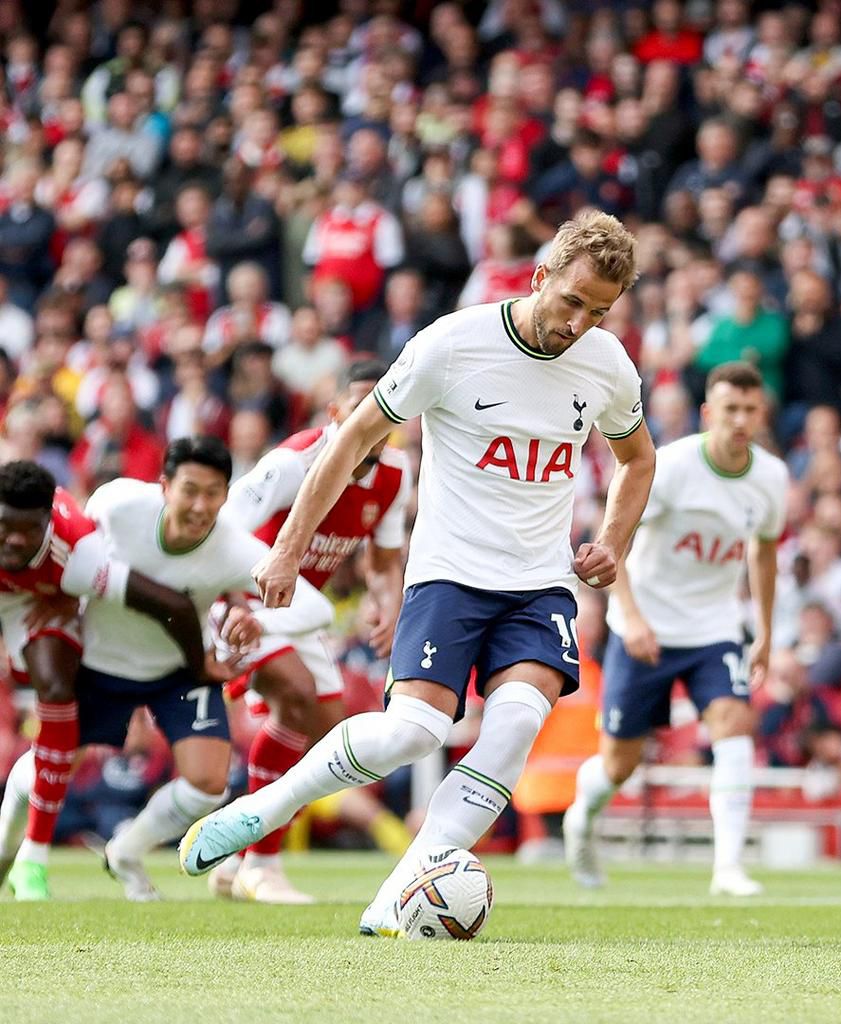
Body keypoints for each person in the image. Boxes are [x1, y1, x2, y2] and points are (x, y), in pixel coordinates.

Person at [179, 210, 655, 938]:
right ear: (540, 278)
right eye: (572, 301)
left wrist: (613, 541)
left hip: (538, 581)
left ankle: (397, 899)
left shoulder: (606, 364)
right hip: (449, 574)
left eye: (599, 311)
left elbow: (637, 457)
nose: (580, 323)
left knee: (519, 719)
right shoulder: (452, 346)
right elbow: (352, 439)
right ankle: (266, 807)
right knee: (415, 731)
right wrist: (287, 549)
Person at [0, 438, 334, 901]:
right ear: (164, 487)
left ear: (225, 494)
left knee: (209, 784)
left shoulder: (236, 550)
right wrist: (58, 595)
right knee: (47, 770)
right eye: (190, 490)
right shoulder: (117, 504)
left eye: (213, 493)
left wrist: (259, 619)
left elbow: (319, 610)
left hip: (181, 669)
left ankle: (125, 851)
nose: (200, 505)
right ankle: (7, 848)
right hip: (100, 664)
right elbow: (74, 550)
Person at [562, 362, 787, 896]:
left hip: (714, 629)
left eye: (750, 410)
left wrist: (766, 632)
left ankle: (727, 868)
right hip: (646, 627)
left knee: (733, 727)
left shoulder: (772, 477)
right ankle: (581, 816)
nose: (740, 420)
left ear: (762, 414)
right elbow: (613, 541)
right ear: (709, 413)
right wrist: (632, 617)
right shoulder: (671, 466)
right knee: (619, 765)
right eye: (730, 409)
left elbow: (764, 551)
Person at [205, 359, 411, 904]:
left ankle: (237, 857)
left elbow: (385, 559)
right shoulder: (294, 462)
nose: (371, 417)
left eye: (382, 406)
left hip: (300, 612)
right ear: (336, 411)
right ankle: (262, 866)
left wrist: (386, 602)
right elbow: (219, 533)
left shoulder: (395, 474)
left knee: (323, 731)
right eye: (360, 404)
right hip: (245, 599)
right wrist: (226, 605)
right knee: (295, 698)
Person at [0, 459, 213, 900]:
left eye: (29, 529)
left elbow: (162, 600)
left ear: (46, 522)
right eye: (5, 526)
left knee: (56, 689)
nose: (17, 539)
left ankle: (32, 861)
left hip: (37, 602)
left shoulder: (80, 554)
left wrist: (200, 665)